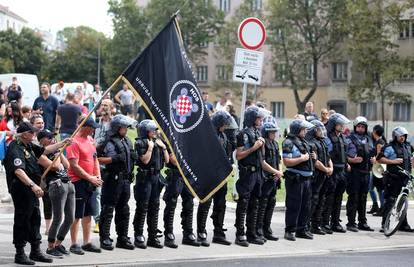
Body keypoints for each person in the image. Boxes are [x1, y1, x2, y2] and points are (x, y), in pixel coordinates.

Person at [4, 122, 69, 265]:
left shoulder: (29, 146)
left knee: (35, 219)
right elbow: (18, 171)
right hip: (22, 190)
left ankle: (35, 251)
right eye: (31, 132)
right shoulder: (15, 148)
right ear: (25, 134)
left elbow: (44, 150)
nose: (34, 134)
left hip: (32, 191)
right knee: (22, 220)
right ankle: (20, 253)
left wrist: (62, 143)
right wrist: (33, 185)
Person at [234, 106, 276, 247]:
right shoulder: (243, 134)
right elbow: (238, 155)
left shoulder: (258, 132)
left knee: (255, 203)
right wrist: (254, 147)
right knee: (244, 203)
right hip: (248, 173)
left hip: (258, 173)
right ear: (252, 119)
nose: (261, 120)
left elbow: (262, 158)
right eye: (259, 118)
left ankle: (252, 233)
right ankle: (240, 234)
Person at [97, 115, 136, 251]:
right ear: (117, 127)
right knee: (108, 209)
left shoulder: (127, 141)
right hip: (112, 180)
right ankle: (105, 238)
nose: (126, 129)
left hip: (125, 180)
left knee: (124, 210)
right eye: (124, 127)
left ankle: (122, 238)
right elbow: (97, 159)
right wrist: (113, 159)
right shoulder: (107, 141)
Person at [196, 111, 235, 247]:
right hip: (209, 174)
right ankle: (201, 232)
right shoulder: (207, 135)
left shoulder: (223, 135)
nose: (225, 127)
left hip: (221, 175)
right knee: (205, 202)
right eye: (224, 124)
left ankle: (218, 232)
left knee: (220, 204)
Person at [67, 118, 103, 255]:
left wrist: (97, 176)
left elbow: (95, 159)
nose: (94, 130)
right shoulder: (74, 142)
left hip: (91, 181)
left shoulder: (90, 140)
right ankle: (74, 243)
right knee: (76, 215)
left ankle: (87, 242)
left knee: (89, 213)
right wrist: (90, 178)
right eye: (92, 127)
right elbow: (74, 166)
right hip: (78, 182)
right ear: (84, 126)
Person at [37, 130, 75, 257]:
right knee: (58, 218)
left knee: (70, 217)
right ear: (42, 140)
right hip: (56, 184)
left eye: (53, 137)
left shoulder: (55, 151)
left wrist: (59, 151)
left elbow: (67, 165)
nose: (53, 139)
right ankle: (50, 246)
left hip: (67, 183)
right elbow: (56, 166)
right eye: (49, 137)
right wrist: (58, 149)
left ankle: (58, 243)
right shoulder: (40, 153)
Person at [133, 120, 169, 249]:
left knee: (155, 206)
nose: (155, 132)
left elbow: (167, 160)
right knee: (143, 206)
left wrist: (163, 147)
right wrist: (150, 148)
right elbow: (145, 160)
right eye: (153, 130)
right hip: (145, 177)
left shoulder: (158, 143)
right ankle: (138, 235)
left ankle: (152, 236)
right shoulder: (140, 143)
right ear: (146, 131)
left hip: (156, 177)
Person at [282, 119, 315, 241]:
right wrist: (302, 158)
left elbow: (308, 158)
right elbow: (287, 162)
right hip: (295, 179)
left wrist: (313, 157)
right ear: (297, 130)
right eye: (303, 129)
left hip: (306, 179)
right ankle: (290, 231)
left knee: (306, 205)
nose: (306, 131)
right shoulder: (288, 142)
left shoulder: (303, 142)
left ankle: (302, 229)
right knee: (294, 205)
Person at [378, 127, 414, 233]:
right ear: (395, 136)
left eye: (404, 136)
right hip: (393, 178)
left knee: (403, 201)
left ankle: (403, 224)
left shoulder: (408, 146)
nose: (402, 138)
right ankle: (385, 224)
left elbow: (411, 158)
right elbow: (379, 159)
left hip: (405, 178)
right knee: (391, 200)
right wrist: (393, 162)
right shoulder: (389, 147)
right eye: (400, 136)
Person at [163, 151, 200, 248]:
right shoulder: (173, 137)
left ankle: (188, 233)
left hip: (187, 175)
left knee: (189, 203)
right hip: (175, 174)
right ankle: (168, 234)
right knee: (171, 204)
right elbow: (173, 160)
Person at [345, 116, 375, 232]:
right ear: (355, 127)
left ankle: (363, 222)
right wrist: (351, 160)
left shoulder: (369, 139)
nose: (361, 129)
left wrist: (373, 160)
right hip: (354, 173)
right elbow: (344, 156)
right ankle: (351, 222)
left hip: (366, 173)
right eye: (359, 126)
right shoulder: (349, 139)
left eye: (363, 127)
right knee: (354, 197)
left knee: (363, 198)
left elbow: (372, 154)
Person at [322, 113, 350, 234]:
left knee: (338, 198)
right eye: (340, 124)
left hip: (342, 172)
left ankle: (335, 222)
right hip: (332, 172)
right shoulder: (328, 137)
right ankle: (325, 222)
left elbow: (344, 153)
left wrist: (347, 164)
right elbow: (327, 155)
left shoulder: (342, 137)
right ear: (334, 125)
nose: (343, 126)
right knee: (329, 198)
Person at [256, 121, 283, 242]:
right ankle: (259, 229)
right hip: (265, 179)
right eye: (272, 132)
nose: (275, 133)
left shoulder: (276, 144)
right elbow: (263, 163)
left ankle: (267, 228)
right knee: (263, 205)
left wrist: (279, 172)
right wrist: (275, 172)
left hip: (274, 179)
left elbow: (279, 160)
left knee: (271, 203)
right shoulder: (263, 143)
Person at [305, 120, 333, 235]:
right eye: (318, 130)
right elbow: (315, 162)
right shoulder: (310, 143)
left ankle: (316, 225)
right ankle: (307, 225)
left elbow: (328, 157)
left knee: (321, 200)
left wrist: (330, 168)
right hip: (316, 176)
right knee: (313, 201)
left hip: (324, 176)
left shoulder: (322, 142)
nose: (321, 132)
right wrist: (326, 169)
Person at [368, 125, 386, 217]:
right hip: (377, 168)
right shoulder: (380, 141)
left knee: (375, 188)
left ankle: (381, 207)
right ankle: (378, 206)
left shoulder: (379, 142)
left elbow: (379, 155)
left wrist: (374, 160)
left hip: (377, 169)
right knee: (378, 189)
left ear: (375, 132)